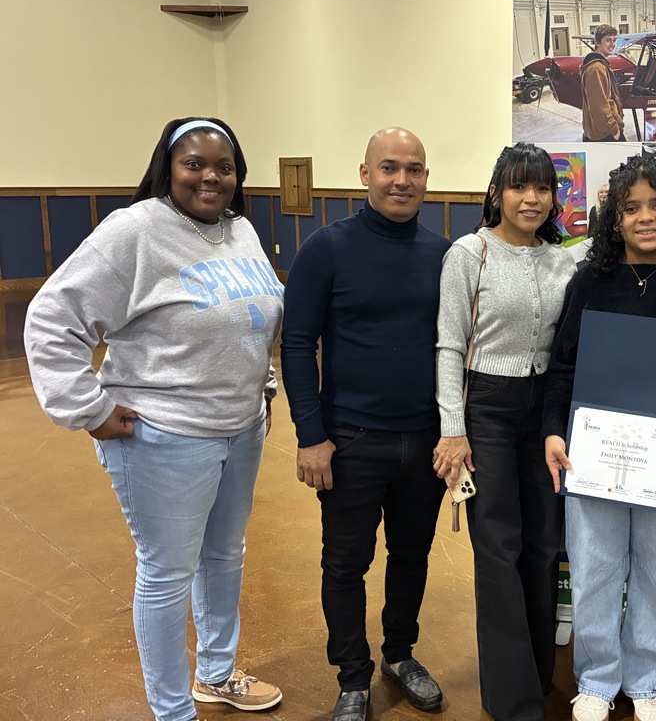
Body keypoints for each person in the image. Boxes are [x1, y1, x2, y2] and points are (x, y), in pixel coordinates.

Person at [23, 117, 284, 721]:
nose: (210, 176)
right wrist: (88, 409)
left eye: (224, 165)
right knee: (167, 574)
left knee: (224, 556)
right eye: (194, 163)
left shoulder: (240, 229)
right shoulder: (135, 231)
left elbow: (254, 317)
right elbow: (51, 318)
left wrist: (263, 386)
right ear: (168, 167)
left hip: (239, 429)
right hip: (161, 435)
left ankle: (216, 675)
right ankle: (172, 711)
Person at [280, 127, 450, 721]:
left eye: (414, 169)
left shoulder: (443, 253)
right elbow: (297, 346)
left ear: (426, 177)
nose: (402, 180)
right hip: (349, 439)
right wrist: (310, 435)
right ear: (364, 174)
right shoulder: (326, 249)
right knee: (345, 564)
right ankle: (352, 677)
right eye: (389, 168)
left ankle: (400, 655)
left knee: (412, 555)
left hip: (426, 441)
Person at [542, 154, 656, 721]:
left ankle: (649, 681)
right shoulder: (590, 280)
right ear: (612, 218)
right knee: (594, 563)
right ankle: (594, 680)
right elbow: (562, 364)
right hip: (594, 444)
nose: (645, 218)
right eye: (631, 207)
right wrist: (553, 431)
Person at [433, 143, 576, 721]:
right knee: (498, 547)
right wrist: (452, 428)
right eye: (519, 187)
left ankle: (537, 673)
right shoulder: (469, 254)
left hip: (543, 413)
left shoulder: (562, 258)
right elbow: (447, 343)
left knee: (544, 545)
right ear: (497, 193)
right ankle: (511, 698)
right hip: (486, 409)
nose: (532, 198)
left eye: (543, 187)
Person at [581, 24, 625, 142]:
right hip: (604, 134)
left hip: (601, 131)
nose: (612, 44)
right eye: (607, 40)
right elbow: (598, 106)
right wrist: (614, 129)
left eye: (614, 40)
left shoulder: (599, 64)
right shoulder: (597, 68)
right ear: (597, 42)